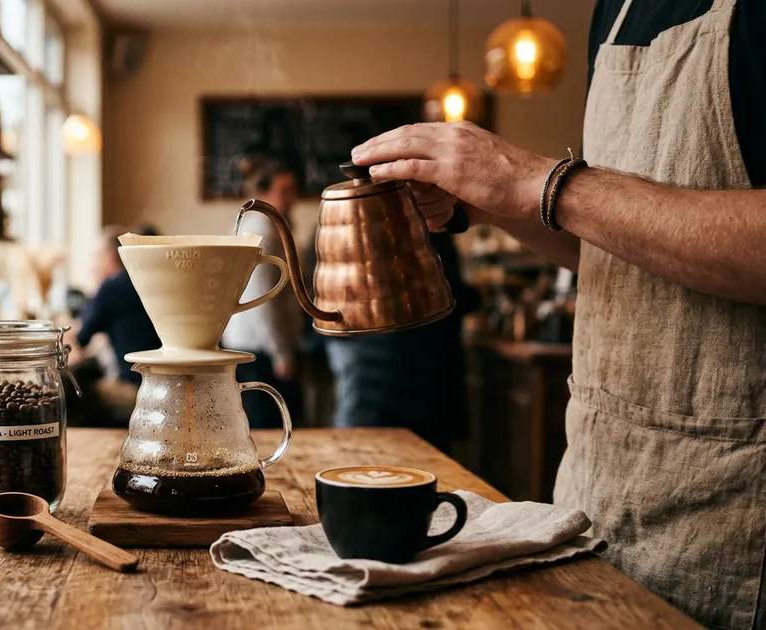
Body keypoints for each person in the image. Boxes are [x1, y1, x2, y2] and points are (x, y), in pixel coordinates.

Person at [350, 2, 766, 627]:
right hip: (599, 487)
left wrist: (542, 181)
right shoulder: (616, 10)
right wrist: (492, 205)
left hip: (736, 506)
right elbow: (613, 248)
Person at [323, 232, 475, 453]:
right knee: (420, 465)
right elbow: (448, 296)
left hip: (367, 367)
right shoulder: (424, 227)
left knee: (360, 458)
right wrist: (475, 297)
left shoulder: (347, 227)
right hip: (419, 375)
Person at [223, 156, 303, 429]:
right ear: (265, 192)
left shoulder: (266, 225)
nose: (292, 198)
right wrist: (281, 353)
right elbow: (263, 300)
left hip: (258, 343)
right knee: (266, 426)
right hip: (259, 347)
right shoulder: (262, 231)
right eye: (285, 190)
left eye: (294, 189)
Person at [71, 225, 161, 386]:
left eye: (97, 257)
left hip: (138, 387)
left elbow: (79, 338)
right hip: (173, 382)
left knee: (80, 391)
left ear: (111, 258)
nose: (93, 266)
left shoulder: (112, 287)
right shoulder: (148, 281)